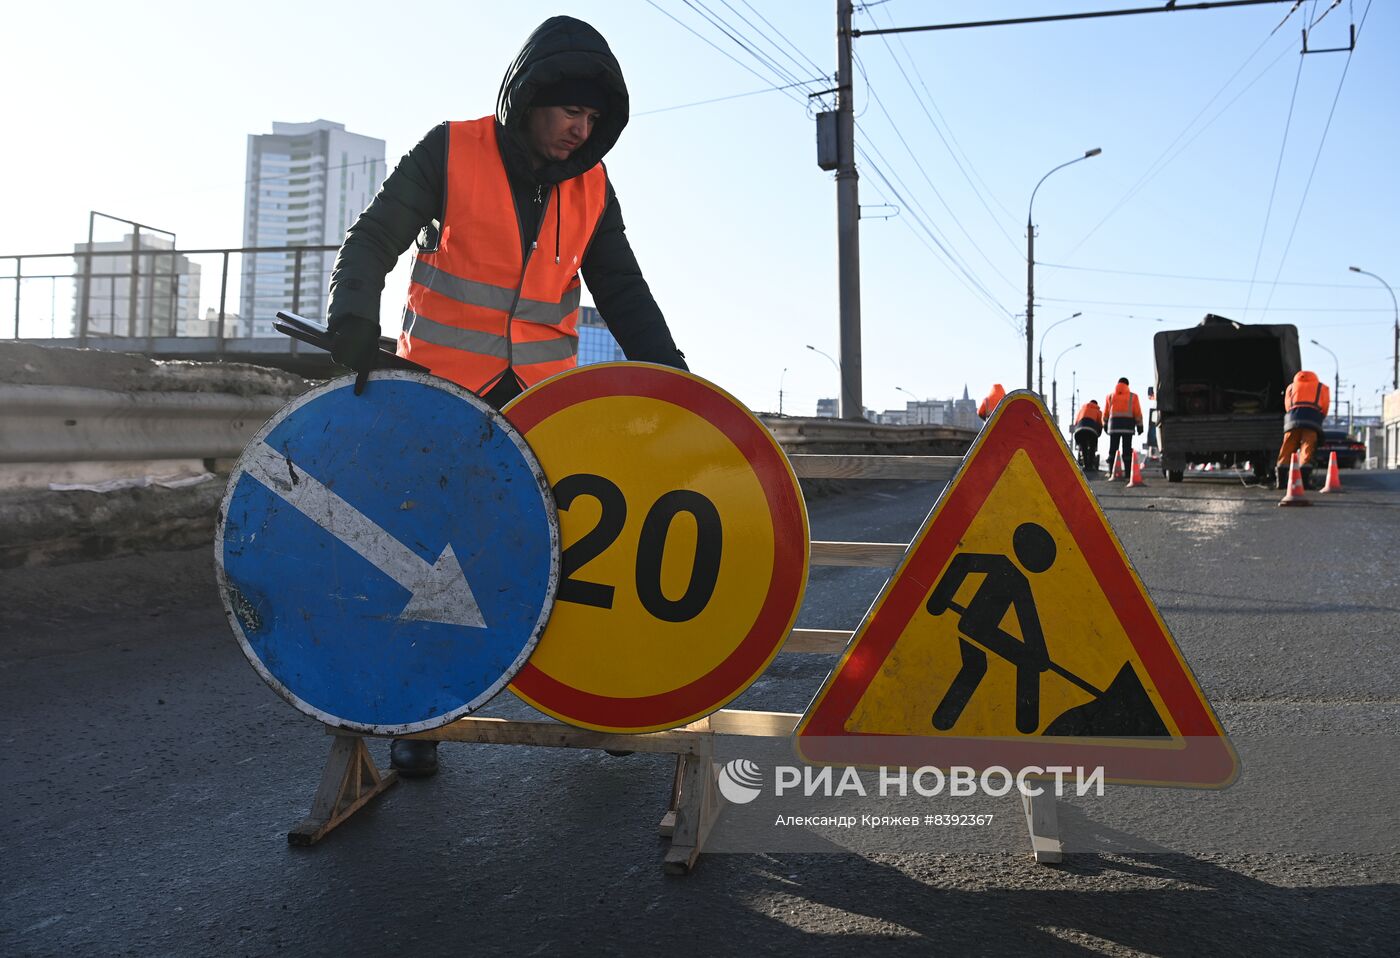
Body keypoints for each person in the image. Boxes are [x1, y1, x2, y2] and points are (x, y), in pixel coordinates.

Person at [323, 16, 688, 777]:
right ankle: (418, 721)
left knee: (559, 557)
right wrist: (353, 315)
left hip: (543, 404)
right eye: (569, 113)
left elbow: (621, 287)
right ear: (530, 100)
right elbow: (374, 236)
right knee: (430, 565)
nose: (580, 130)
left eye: (593, 119)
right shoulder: (453, 149)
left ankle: (594, 705)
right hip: (444, 397)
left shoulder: (591, 185)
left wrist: (673, 377)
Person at [1275, 369, 1329, 490]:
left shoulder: (1291, 387)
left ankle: (1281, 481)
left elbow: (1288, 405)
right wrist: (1320, 417)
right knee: (1307, 448)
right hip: (1312, 419)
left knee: (1287, 447)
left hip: (1292, 419)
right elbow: (1325, 406)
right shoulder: (1322, 387)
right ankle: (1305, 481)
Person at [1103, 377, 1143, 475]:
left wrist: (1105, 424)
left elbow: (1106, 413)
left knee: (1113, 449)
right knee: (1127, 449)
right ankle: (1128, 473)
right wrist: (1140, 426)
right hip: (1128, 426)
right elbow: (1137, 412)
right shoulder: (1133, 397)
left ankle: (1111, 472)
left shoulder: (1110, 396)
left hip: (1114, 426)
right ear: (1127, 385)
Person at [1072, 399, 1103, 471]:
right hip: (1092, 430)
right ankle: (1091, 465)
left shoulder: (1082, 410)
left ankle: (1085, 465)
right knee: (1092, 447)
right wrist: (1099, 433)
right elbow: (1099, 423)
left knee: (1083, 447)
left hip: (1080, 429)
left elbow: (1076, 421)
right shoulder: (1098, 411)